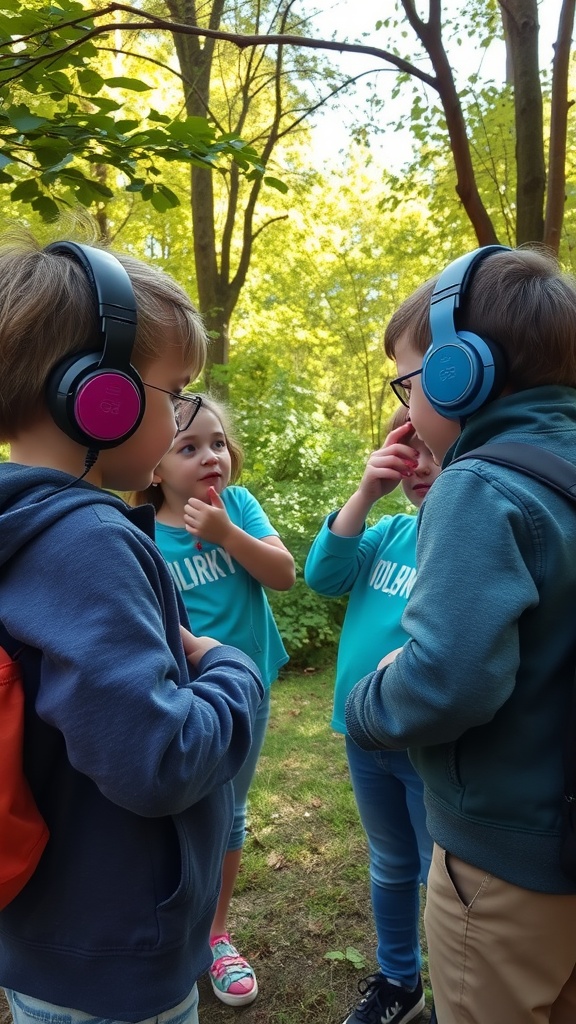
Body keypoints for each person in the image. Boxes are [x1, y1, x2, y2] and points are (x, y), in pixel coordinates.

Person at [0, 231, 264, 1024]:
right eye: (176, 391)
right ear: (99, 396)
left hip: (53, 935)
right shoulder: (86, 540)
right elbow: (157, 759)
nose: (184, 412)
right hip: (113, 956)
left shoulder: (24, 523)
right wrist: (233, 672)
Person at [345, 245, 576, 1024]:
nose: (407, 412)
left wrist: (371, 701)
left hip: (505, 863)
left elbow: (450, 679)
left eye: (409, 385)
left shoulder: (477, 485)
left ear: (459, 373)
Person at [132, 393, 295, 1007]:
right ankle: (176, 924)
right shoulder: (142, 530)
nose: (210, 456)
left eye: (218, 443)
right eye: (188, 446)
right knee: (182, 811)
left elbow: (282, 574)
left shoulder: (240, 508)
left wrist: (227, 533)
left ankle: (216, 934)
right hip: (185, 699)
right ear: (154, 467)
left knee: (229, 809)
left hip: (248, 689)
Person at [305, 406, 438, 1024]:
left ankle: (460, 983)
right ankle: (398, 979)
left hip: (427, 742)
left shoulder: (465, 543)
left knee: (438, 875)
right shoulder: (386, 533)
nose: (421, 467)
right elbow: (324, 575)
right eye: (411, 452)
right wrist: (365, 492)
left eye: (437, 451)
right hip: (364, 733)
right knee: (390, 861)